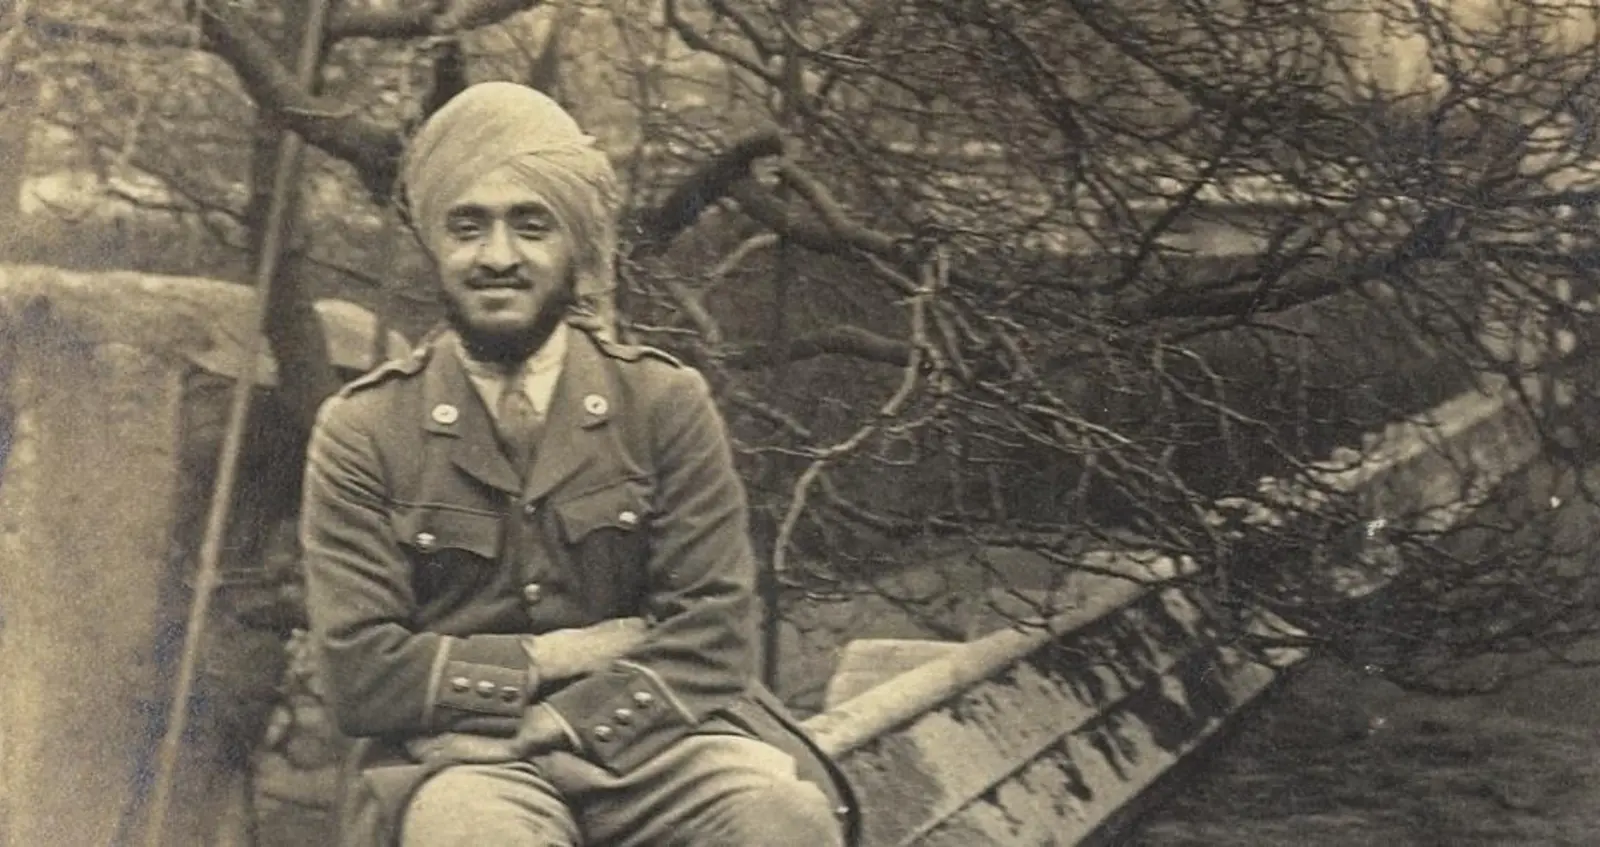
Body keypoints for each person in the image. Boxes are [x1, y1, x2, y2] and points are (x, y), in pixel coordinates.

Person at [299, 81, 857, 847]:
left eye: (531, 225)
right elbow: (359, 671)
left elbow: (717, 632)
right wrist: (548, 656)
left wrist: (553, 722)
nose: (498, 256)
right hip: (467, 770)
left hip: (658, 743)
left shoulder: (662, 401)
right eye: (467, 226)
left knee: (781, 816)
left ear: (576, 244)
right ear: (434, 242)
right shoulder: (363, 428)